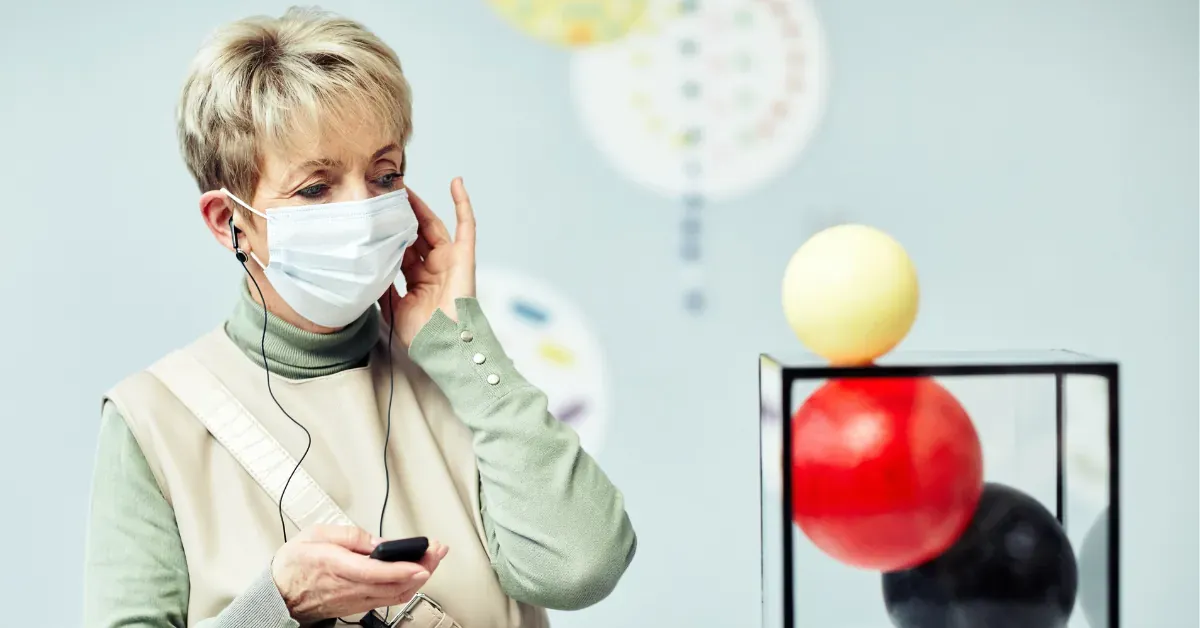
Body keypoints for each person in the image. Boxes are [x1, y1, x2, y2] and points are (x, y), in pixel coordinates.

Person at [82, 7, 636, 628]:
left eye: (384, 174)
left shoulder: (457, 375)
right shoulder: (154, 420)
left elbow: (585, 566)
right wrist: (279, 603)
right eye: (315, 187)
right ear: (228, 221)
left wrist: (465, 347)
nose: (363, 208)